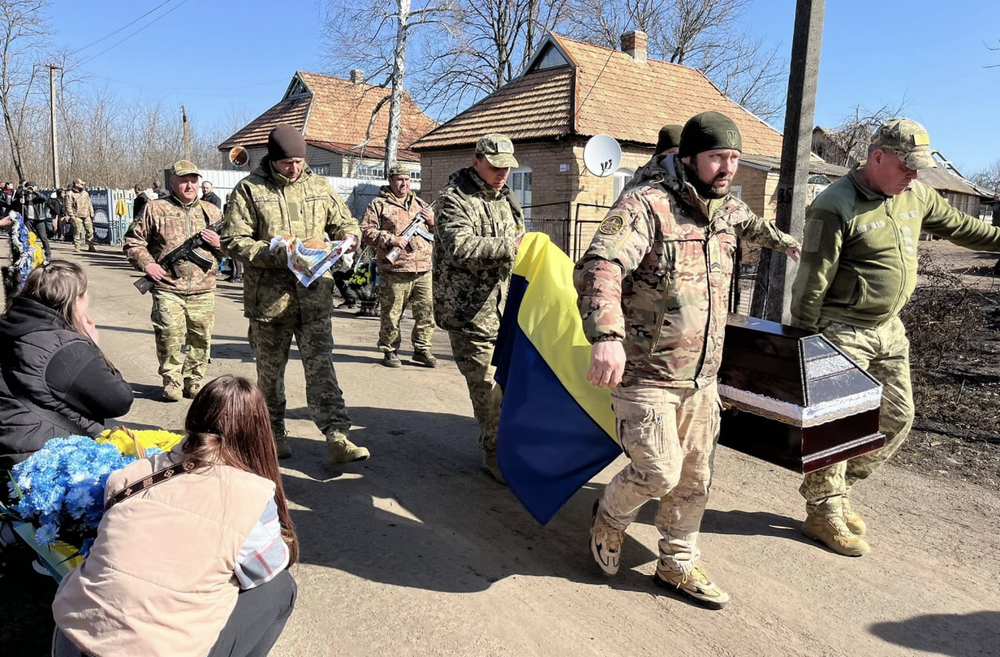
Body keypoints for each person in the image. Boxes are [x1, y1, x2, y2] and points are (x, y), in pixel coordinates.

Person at [576, 112, 801, 610]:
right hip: (646, 372)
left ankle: (676, 562)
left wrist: (787, 242)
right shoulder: (647, 205)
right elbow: (601, 265)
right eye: (718, 157)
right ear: (688, 156)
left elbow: (753, 225)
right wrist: (606, 336)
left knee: (695, 479)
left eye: (734, 158)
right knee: (659, 471)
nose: (728, 168)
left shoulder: (726, 209)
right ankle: (609, 518)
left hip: (701, 377)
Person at [789, 118, 1000, 557]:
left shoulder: (915, 195)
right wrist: (805, 338)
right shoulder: (835, 204)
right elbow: (812, 278)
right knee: (838, 424)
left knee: (898, 417)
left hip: (889, 328)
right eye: (906, 165)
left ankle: (836, 490)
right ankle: (823, 511)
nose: (914, 174)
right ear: (878, 156)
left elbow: (964, 227)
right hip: (840, 330)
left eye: (918, 167)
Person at [52, 375, 298, 657]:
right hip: (155, 650)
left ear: (193, 419)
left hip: (74, 635)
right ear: (258, 432)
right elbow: (269, 566)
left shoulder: (133, 475)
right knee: (281, 588)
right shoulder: (251, 495)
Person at [222, 124, 369, 463]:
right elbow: (233, 241)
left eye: (300, 162)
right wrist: (277, 252)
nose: (295, 168)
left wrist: (349, 238)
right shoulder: (250, 189)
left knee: (322, 370)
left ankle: (337, 436)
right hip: (269, 303)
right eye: (288, 162)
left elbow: (346, 222)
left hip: (314, 298)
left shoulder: (319, 186)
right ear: (273, 159)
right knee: (269, 375)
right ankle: (272, 434)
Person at [433, 133, 525, 483]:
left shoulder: (505, 198)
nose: (502, 174)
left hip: (505, 307)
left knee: (510, 383)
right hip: (469, 311)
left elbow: (518, 237)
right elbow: (460, 247)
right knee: (486, 386)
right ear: (476, 161)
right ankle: (494, 453)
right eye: (495, 167)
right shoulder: (453, 199)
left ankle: (506, 444)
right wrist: (512, 246)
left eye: (507, 168)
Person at [0, 261, 133, 470]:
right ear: (76, 300)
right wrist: (92, 346)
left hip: (10, 449)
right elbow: (119, 400)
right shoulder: (65, 347)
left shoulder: (8, 326)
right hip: (46, 464)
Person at [123, 160, 224, 402]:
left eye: (193, 180)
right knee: (169, 335)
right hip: (168, 286)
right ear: (172, 182)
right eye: (183, 180)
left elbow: (233, 247)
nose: (189, 185)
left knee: (201, 338)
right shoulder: (155, 209)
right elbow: (133, 241)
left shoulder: (212, 212)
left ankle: (194, 380)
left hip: (203, 288)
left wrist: (220, 244)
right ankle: (172, 380)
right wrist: (147, 264)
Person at [361, 162, 437, 368]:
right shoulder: (379, 204)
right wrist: (391, 239)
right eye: (399, 180)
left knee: (426, 312)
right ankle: (390, 349)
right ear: (391, 181)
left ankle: (422, 349)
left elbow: (437, 234)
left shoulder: (420, 204)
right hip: (394, 269)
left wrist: (432, 221)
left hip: (423, 268)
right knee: (392, 314)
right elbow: (366, 231)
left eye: (407, 179)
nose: (404, 184)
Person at [619, 124, 684, 199]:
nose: (677, 158)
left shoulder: (685, 181)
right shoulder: (642, 189)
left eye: (682, 153)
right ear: (659, 155)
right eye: (672, 153)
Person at [12, 181, 50, 260]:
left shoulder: (38, 195)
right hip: (28, 219)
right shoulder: (23, 195)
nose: (30, 189)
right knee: (29, 237)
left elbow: (44, 198)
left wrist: (35, 191)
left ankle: (48, 254)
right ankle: (30, 253)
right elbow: (15, 204)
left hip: (39, 219)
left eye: (32, 187)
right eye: (28, 187)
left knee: (43, 237)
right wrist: (19, 201)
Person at [64, 179, 96, 253]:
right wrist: (71, 215)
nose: (83, 185)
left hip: (86, 214)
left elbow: (89, 202)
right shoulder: (70, 194)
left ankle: (91, 245)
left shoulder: (85, 193)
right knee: (77, 231)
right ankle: (77, 246)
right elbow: (68, 206)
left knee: (90, 231)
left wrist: (91, 211)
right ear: (76, 184)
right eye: (81, 184)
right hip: (76, 215)